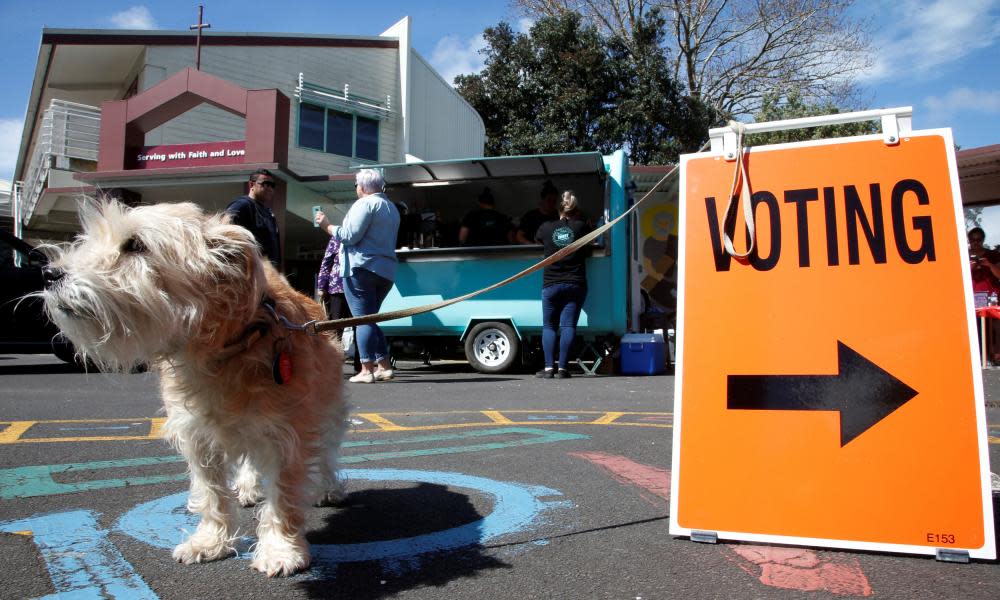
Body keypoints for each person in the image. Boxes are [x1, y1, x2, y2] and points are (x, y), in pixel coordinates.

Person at [315, 169, 400, 383]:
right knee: (371, 318)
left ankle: (365, 369)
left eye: (356, 185)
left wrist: (327, 225)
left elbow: (349, 236)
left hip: (361, 268)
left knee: (362, 319)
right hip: (385, 271)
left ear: (361, 187)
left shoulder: (365, 204)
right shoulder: (391, 208)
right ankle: (384, 366)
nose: (356, 189)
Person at [534, 190, 592, 379]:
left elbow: (536, 241)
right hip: (575, 283)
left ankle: (549, 368)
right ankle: (563, 369)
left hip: (551, 283)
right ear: (576, 210)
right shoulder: (582, 227)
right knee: (568, 326)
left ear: (558, 208)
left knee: (549, 326)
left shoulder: (545, 227)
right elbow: (594, 243)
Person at [316, 233, 360, 371]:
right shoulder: (338, 237)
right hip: (339, 286)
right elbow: (327, 261)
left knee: (356, 325)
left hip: (353, 286)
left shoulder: (359, 235)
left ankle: (360, 364)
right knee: (337, 326)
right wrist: (321, 286)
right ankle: (336, 362)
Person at [225, 169, 281, 269]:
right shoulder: (243, 205)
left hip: (269, 272)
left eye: (272, 185)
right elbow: (226, 232)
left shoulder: (269, 213)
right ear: (251, 185)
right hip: (251, 273)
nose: (270, 188)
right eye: (265, 184)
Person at [515, 180, 559, 245]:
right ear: (542, 200)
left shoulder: (559, 216)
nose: (551, 204)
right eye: (548, 200)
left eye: (554, 201)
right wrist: (532, 246)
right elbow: (519, 236)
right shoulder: (530, 216)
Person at [969, 227, 1000, 304]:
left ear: (983, 240)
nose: (975, 242)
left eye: (978, 240)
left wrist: (989, 265)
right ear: (969, 240)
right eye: (973, 240)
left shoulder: (993, 255)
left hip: (992, 296)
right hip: (970, 296)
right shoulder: (962, 255)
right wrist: (970, 267)